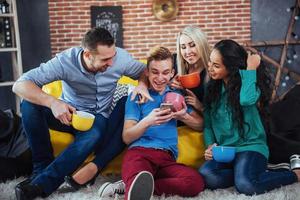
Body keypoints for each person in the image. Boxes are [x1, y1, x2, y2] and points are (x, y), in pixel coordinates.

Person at [12, 27, 149, 200]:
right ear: (87, 55)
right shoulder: (65, 61)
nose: (112, 63)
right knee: (28, 105)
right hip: (68, 112)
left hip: (98, 116)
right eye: (105, 59)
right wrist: (53, 102)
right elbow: (19, 84)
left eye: (113, 56)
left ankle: (41, 184)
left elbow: (144, 71)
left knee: (94, 134)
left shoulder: (120, 58)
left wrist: (142, 85)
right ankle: (41, 166)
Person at [98, 46, 205, 200]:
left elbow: (201, 124)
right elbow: (127, 137)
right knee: (137, 181)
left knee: (195, 182)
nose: (160, 78)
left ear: (172, 73)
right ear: (146, 72)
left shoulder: (175, 96)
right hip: (139, 154)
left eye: (165, 73)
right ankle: (134, 186)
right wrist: (147, 121)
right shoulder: (137, 96)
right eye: (155, 72)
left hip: (166, 159)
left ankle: (130, 186)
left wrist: (183, 117)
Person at [199, 39, 300, 195]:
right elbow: (208, 125)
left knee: (247, 185)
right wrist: (210, 146)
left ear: (231, 68)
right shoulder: (212, 90)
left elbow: (246, 99)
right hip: (227, 152)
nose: (210, 69)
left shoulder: (249, 84)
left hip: (251, 147)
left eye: (216, 66)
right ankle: (251, 172)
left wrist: (251, 68)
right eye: (210, 63)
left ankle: (294, 174)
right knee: (208, 176)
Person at [170, 25, 210, 113]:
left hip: (198, 121)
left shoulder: (212, 71)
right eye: (183, 47)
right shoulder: (174, 62)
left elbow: (218, 114)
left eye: (192, 45)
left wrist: (200, 106)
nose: (188, 52)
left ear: (202, 45)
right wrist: (169, 83)